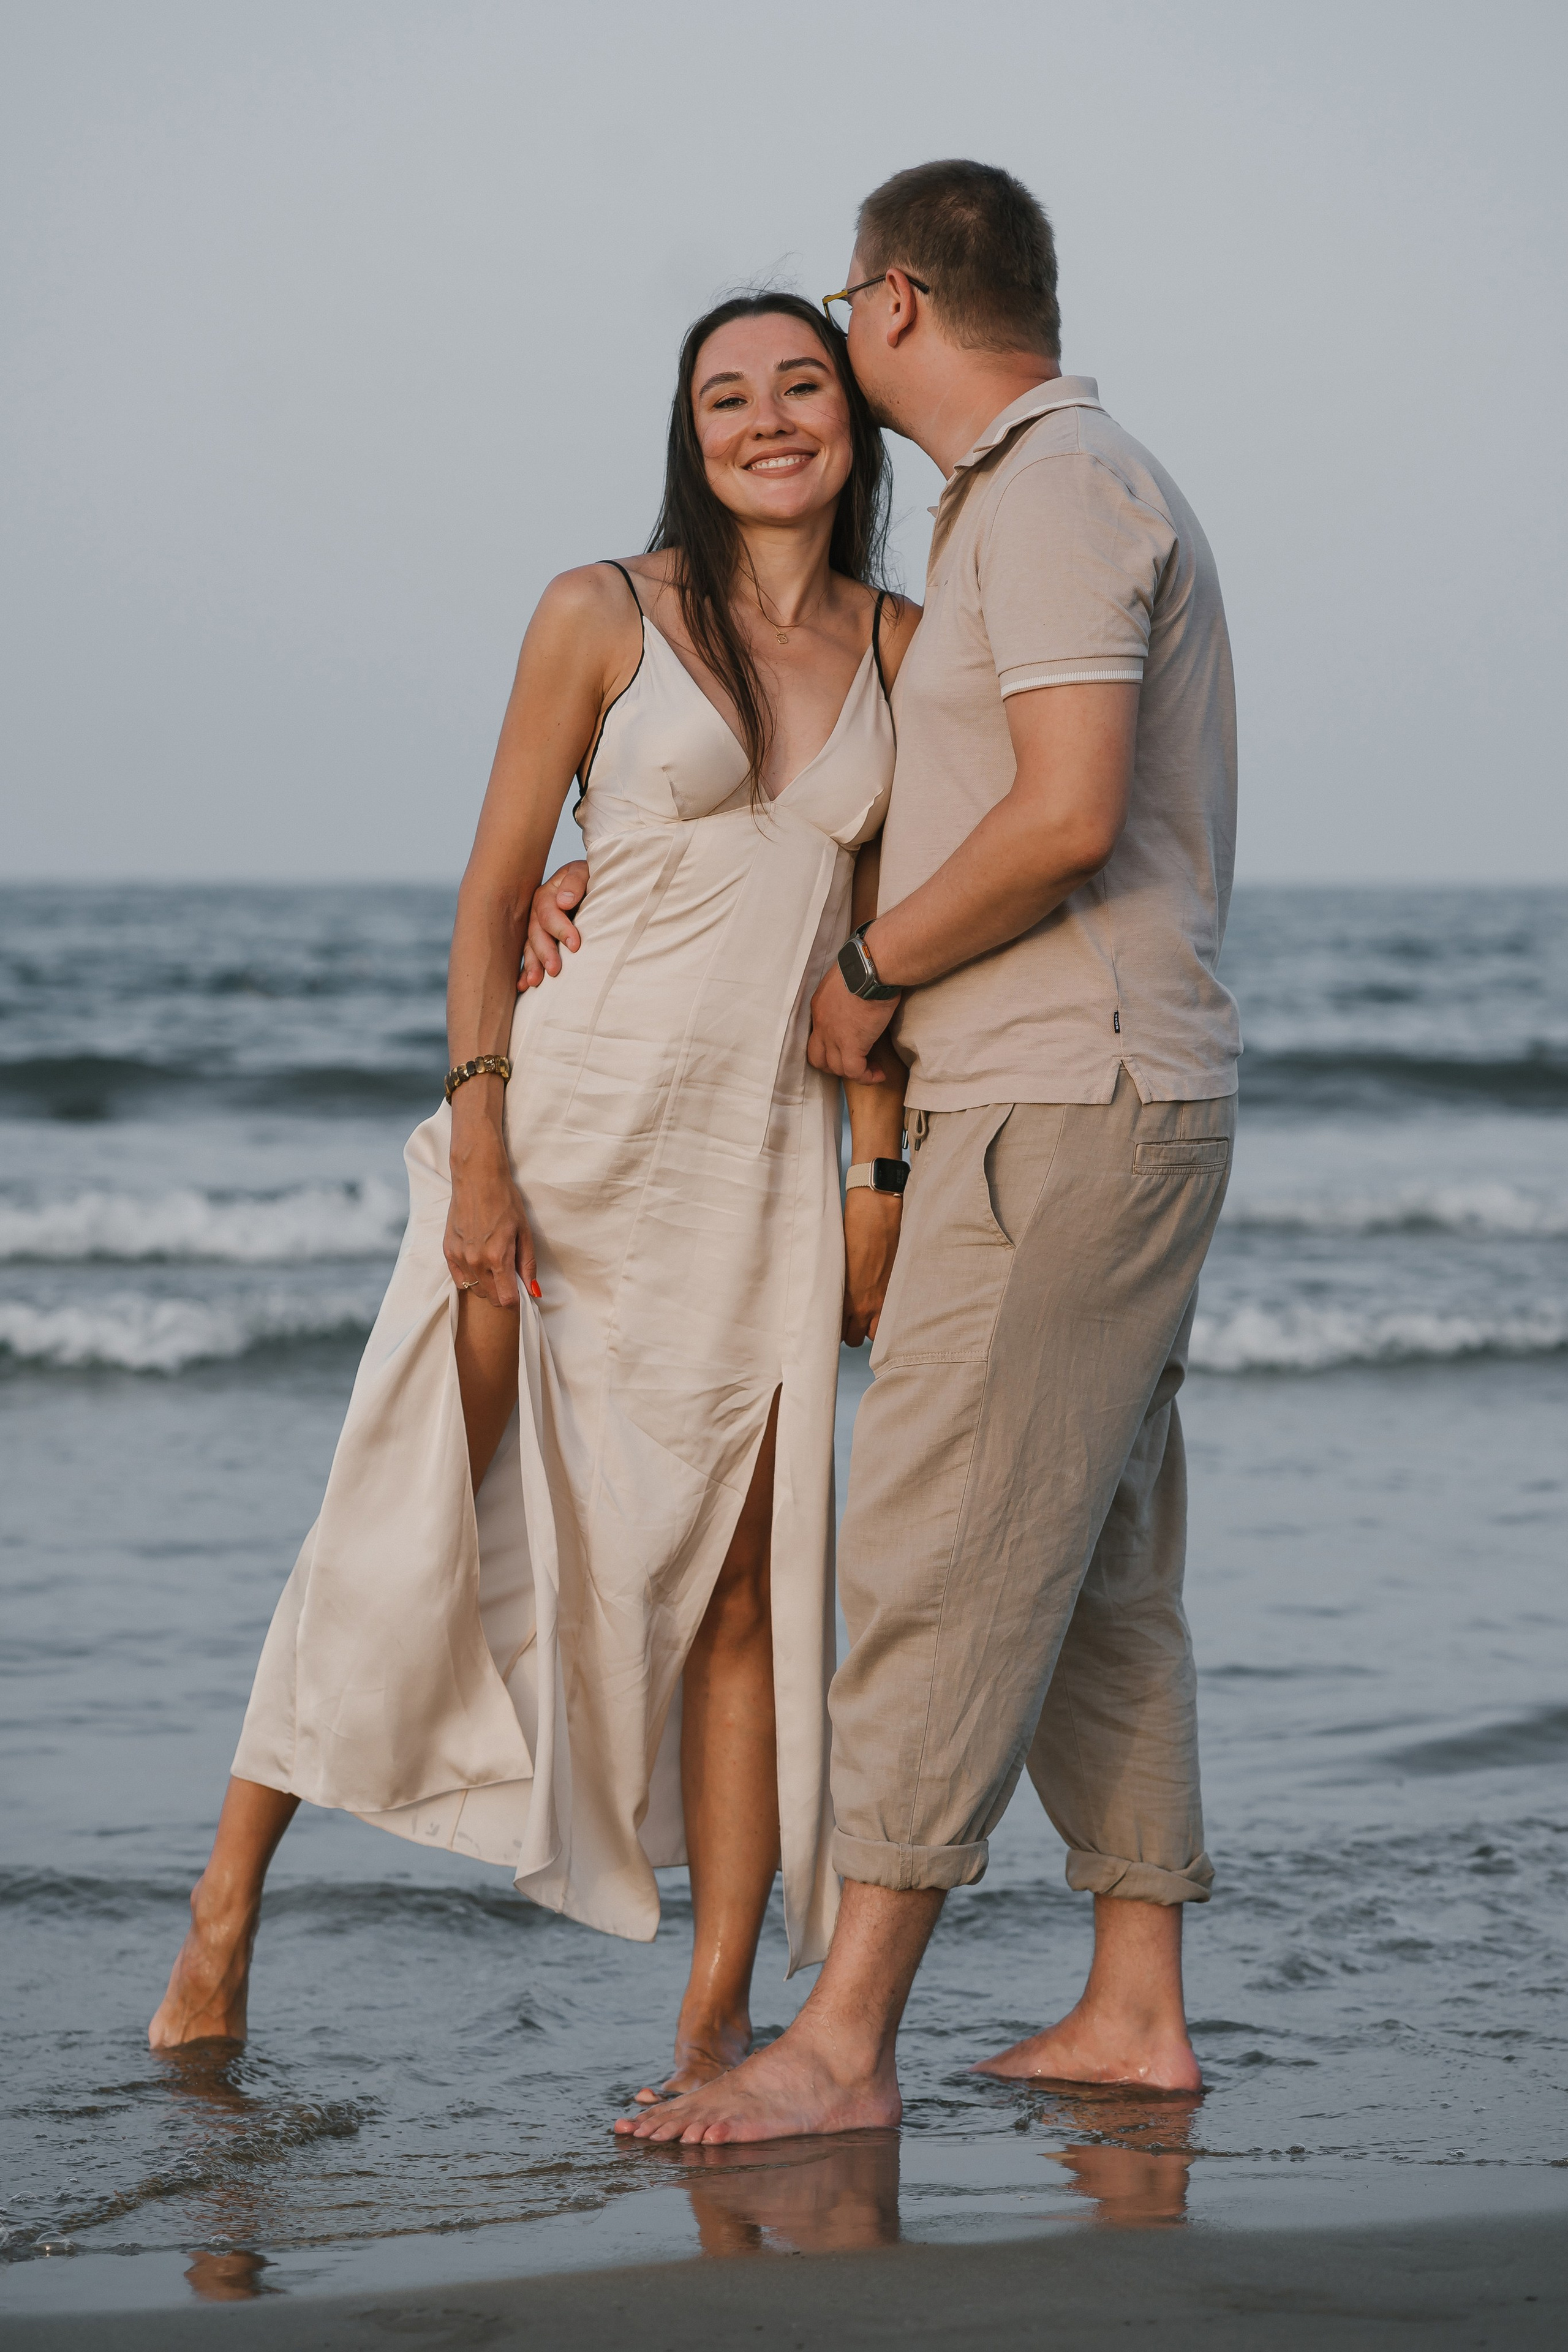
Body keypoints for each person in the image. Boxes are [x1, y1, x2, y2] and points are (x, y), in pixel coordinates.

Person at [148, 290, 920, 2106]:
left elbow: (888, 959)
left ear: (853, 419)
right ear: (690, 430)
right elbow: (494, 899)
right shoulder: (602, 610)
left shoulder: (906, 646)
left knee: (743, 1590)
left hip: (757, 1180)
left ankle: (716, 2017)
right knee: (409, 1515)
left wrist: (877, 1186)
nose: (767, 420)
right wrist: (479, 1151)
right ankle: (224, 1902)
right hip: (559, 1146)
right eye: (727, 396)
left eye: (801, 385)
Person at [592, 159, 1241, 2142]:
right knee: (1102, 1568)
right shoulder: (1050, 489)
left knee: (940, 1559)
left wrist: (867, 974)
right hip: (1103, 1092)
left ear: (888, 309)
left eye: (834, 339)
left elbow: (1060, 816)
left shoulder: (1047, 493)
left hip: (1060, 1096)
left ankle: (844, 2042)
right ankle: (1135, 2005)